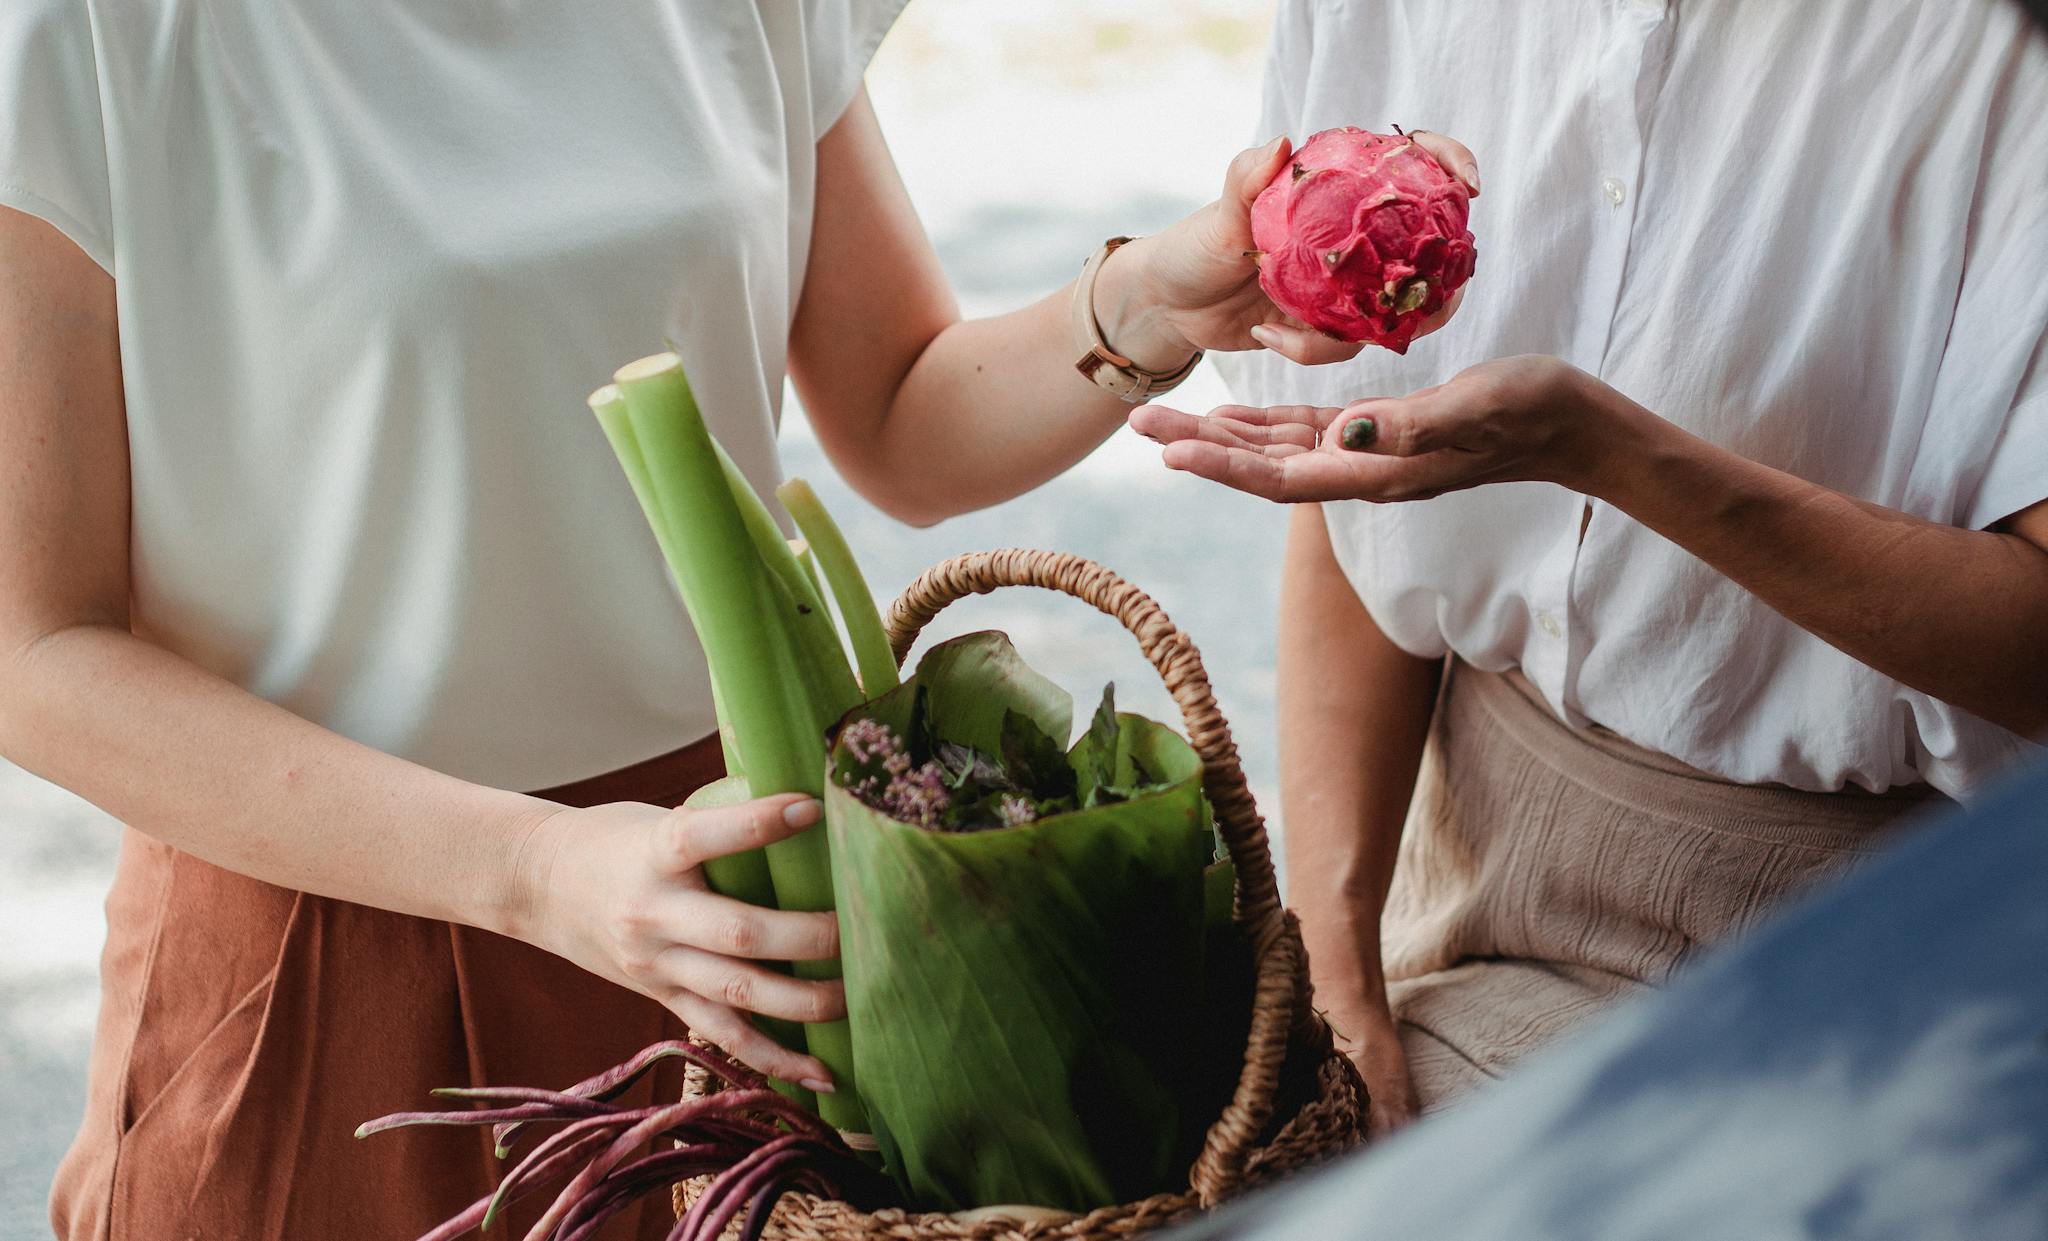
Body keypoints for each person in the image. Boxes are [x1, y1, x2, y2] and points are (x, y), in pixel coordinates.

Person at [0, 5, 1466, 1238]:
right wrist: (534, 870)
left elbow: (898, 412)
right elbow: (30, 649)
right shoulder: (81, 36)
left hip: (748, 924)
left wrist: (1148, 304)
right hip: (323, 939)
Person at [1135, 0, 2048, 1139]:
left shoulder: (1990, 53)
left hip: (1886, 952)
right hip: (1466, 880)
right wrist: (1335, 966)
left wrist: (1615, 457)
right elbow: (1346, 498)